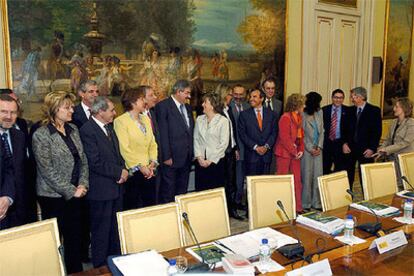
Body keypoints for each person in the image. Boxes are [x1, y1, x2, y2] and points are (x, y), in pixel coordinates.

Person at [32, 91, 89, 274]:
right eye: (67, 107)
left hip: (77, 192)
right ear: (55, 109)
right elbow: (46, 170)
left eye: (71, 106)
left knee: (74, 239)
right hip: (52, 197)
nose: (72, 110)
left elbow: (83, 160)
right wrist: (71, 190)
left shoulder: (73, 129)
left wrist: (82, 184)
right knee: (55, 241)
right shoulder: (41, 134)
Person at [79, 96, 128, 268]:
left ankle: (114, 263)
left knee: (115, 230)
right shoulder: (87, 130)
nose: (115, 113)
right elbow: (95, 161)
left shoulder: (109, 127)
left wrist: (123, 170)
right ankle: (100, 267)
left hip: (116, 187)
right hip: (100, 191)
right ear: (100, 112)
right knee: (101, 232)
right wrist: (118, 172)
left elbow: (117, 154)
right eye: (112, 110)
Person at [114, 87, 158, 209]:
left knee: (150, 206)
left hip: (150, 171)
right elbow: (124, 149)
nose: (145, 101)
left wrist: (153, 163)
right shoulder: (120, 121)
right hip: (134, 174)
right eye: (141, 99)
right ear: (133, 102)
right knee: (133, 207)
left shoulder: (145, 118)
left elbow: (153, 143)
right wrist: (140, 167)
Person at [156, 80, 194, 203]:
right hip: (171, 159)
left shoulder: (187, 107)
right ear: (178, 91)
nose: (189, 96)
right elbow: (162, 133)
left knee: (182, 191)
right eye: (187, 93)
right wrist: (166, 156)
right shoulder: (163, 106)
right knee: (169, 191)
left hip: (186, 158)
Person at [343, 87, 382, 190]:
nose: (352, 99)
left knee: (366, 178)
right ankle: (348, 199)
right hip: (350, 149)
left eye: (353, 97)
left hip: (366, 150)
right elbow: (344, 130)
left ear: (361, 97)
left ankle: (367, 199)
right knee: (348, 176)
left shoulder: (374, 111)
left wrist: (372, 148)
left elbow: (377, 132)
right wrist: (344, 143)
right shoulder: (349, 110)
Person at [0, 95, 29, 227]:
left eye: (13, 112)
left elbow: (14, 171)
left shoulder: (19, 136)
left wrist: (8, 197)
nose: (8, 116)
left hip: (17, 209)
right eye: (4, 112)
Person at [274, 93, 305, 214]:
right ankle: (283, 208)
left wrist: (301, 150)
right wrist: (294, 151)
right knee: (283, 182)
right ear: (296, 105)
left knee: (297, 182)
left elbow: (301, 137)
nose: (304, 106)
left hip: (295, 155)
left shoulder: (299, 118)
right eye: (302, 104)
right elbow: (284, 138)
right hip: (284, 154)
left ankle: (298, 207)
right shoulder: (285, 117)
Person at [194, 92, 229, 191]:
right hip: (200, 162)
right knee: (201, 191)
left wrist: (210, 160)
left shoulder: (223, 121)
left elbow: (224, 144)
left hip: (216, 162)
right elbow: (196, 139)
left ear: (213, 105)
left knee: (215, 193)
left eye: (205, 102)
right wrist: (199, 158)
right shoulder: (199, 119)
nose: (202, 105)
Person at [239, 89, 277, 176]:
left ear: (262, 98)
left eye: (254, 97)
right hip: (251, 156)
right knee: (251, 185)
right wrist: (256, 147)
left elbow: (274, 132)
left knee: (264, 185)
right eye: (250, 97)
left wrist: (266, 146)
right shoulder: (244, 115)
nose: (251, 99)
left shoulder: (272, 114)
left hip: (266, 157)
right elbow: (242, 134)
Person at [377, 98, 414, 185]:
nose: (394, 109)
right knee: (391, 185)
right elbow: (388, 139)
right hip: (391, 159)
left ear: (404, 108)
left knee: (404, 185)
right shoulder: (394, 122)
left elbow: (405, 143)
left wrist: (386, 149)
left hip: (404, 160)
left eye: (397, 107)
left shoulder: (411, 124)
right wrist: (382, 148)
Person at [301, 92, 324, 211]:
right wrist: (310, 148)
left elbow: (322, 131)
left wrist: (319, 147)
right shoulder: (302, 113)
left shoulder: (320, 112)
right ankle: (305, 203)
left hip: (318, 150)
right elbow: (302, 134)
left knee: (317, 176)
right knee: (307, 176)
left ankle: (317, 202)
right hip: (306, 150)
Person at [229, 84, 250, 211]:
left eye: (240, 94)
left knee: (243, 178)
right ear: (232, 93)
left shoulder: (248, 106)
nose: (238, 97)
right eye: (235, 94)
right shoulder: (228, 107)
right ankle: (234, 203)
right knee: (235, 178)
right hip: (234, 148)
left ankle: (240, 201)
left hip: (248, 148)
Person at [322, 89, 350, 174]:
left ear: (343, 99)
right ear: (332, 98)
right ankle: (325, 186)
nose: (338, 100)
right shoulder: (324, 110)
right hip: (326, 143)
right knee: (325, 167)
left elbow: (350, 130)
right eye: (336, 97)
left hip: (340, 143)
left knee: (340, 168)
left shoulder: (348, 111)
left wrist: (345, 143)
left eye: (341, 98)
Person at [262, 77, 283, 174]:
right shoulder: (257, 102)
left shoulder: (279, 104)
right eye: (268, 88)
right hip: (260, 142)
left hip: (274, 142)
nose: (271, 91)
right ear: (263, 89)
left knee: (272, 169)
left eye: (273, 88)